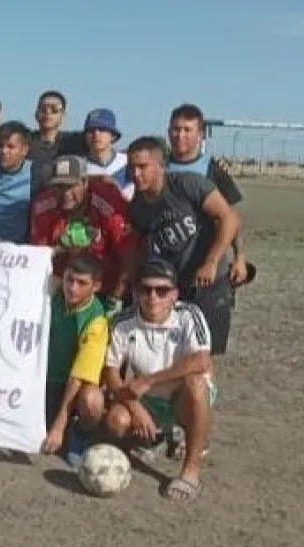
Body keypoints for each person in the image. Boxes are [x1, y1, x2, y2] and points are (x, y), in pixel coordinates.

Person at [103, 259, 217, 504]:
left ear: (175, 294)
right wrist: (135, 407)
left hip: (182, 396)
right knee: (116, 421)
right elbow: (111, 372)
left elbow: (201, 361)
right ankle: (155, 438)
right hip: (149, 401)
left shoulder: (189, 315)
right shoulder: (123, 322)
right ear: (136, 292)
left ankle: (190, 472)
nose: (153, 297)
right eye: (146, 289)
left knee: (197, 383)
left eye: (162, 291)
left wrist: (148, 380)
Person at [127, 136, 241, 355]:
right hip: (173, 288)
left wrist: (212, 261)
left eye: (142, 166)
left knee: (203, 353)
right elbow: (139, 249)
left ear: (161, 166)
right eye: (132, 167)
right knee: (172, 352)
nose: (136, 174)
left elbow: (229, 218)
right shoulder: (137, 207)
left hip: (208, 282)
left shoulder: (187, 184)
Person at [31, 155, 136, 313]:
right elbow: (39, 257)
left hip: (106, 286)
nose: (66, 193)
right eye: (59, 186)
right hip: (64, 285)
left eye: (71, 186)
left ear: (85, 182)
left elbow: (129, 256)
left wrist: (115, 298)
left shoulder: (109, 203)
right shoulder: (43, 205)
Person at [167, 104, 253, 288]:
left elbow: (233, 217)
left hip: (207, 268)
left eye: (187, 130)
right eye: (176, 129)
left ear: (201, 134)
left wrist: (240, 256)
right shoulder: (158, 167)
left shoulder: (214, 169)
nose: (180, 135)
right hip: (168, 268)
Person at [42, 254, 109, 464]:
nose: (72, 288)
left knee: (93, 401)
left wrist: (59, 425)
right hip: (42, 380)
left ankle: (80, 433)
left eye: (82, 283)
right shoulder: (52, 292)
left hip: (73, 387)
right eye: (69, 279)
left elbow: (79, 377)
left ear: (96, 286)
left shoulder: (96, 321)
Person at [0, 121, 45, 243]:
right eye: (0, 145)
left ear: (24, 150)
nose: (3, 151)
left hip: (20, 251)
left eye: (10, 146)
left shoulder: (37, 174)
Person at [82, 108, 133, 200]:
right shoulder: (79, 167)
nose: (96, 134)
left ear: (113, 135)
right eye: (91, 130)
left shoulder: (129, 162)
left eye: (102, 129)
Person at [28, 90, 85, 170]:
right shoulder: (25, 141)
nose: (48, 113)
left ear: (63, 115)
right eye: (43, 109)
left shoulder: (74, 141)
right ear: (36, 113)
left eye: (54, 109)